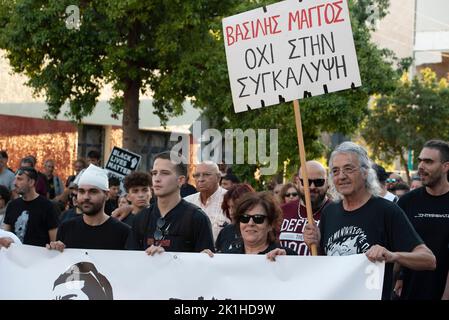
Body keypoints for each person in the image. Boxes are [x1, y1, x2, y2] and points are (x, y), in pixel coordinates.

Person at [304, 141, 436, 300]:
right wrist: (315, 245)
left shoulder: (387, 211)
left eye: (348, 169)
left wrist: (393, 256)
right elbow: (325, 268)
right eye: (335, 171)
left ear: (365, 172)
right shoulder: (329, 212)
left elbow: (429, 260)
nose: (342, 176)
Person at [126, 152, 214, 255]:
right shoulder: (141, 218)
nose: (157, 179)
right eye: (154, 173)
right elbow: (131, 262)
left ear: (180, 180)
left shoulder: (197, 218)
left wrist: (168, 257)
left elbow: (205, 265)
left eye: (164, 173)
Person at [396, 140, 449, 300]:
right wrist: (398, 278)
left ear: (446, 166)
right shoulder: (406, 202)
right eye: (420, 160)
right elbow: (398, 246)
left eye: (428, 161)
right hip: (410, 292)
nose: (421, 166)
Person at [46, 164, 130, 251]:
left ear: (106, 195)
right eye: (81, 191)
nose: (86, 197)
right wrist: (55, 251)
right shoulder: (66, 228)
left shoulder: (123, 232)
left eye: (93, 192)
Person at [203, 192, 296, 260]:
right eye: (245, 218)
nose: (250, 223)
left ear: (270, 225)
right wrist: (203, 261)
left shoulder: (286, 255)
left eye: (258, 218)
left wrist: (285, 262)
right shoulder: (227, 257)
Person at [279, 161, 330, 255]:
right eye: (306, 182)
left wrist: (318, 246)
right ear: (298, 182)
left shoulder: (336, 213)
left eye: (319, 182)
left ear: (327, 182)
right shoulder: (281, 211)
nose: (312, 187)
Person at [2, 167, 58, 246]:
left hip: (38, 256)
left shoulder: (47, 206)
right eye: (15, 179)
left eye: (20, 179)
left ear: (31, 182)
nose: (14, 183)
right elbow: (6, 236)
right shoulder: (12, 205)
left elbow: (54, 241)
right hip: (14, 256)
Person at [184, 161, 229, 242]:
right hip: (191, 254)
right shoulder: (186, 202)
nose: (200, 179)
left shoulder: (230, 200)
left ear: (218, 177)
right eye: (197, 175)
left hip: (222, 254)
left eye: (206, 175)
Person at [215, 183, 255, 252]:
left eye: (235, 207)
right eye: (229, 207)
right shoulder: (226, 232)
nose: (231, 212)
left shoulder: (259, 230)